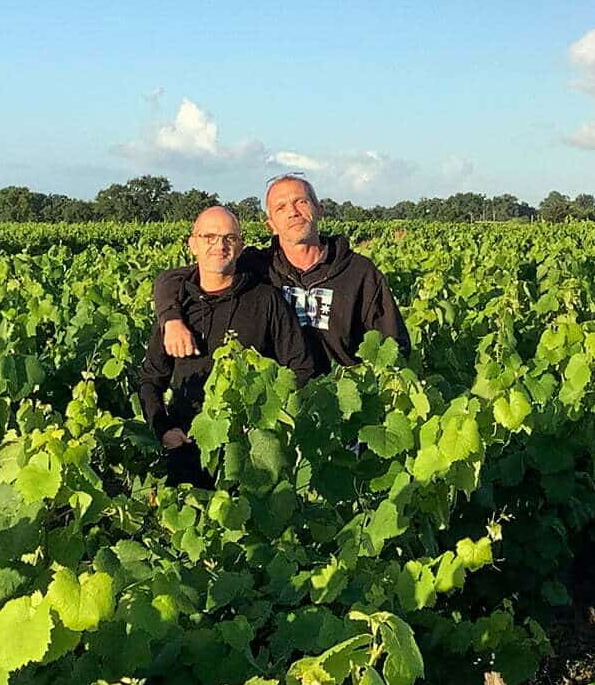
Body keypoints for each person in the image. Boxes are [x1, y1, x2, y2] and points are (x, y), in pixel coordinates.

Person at [152, 174, 409, 376]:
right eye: (281, 207)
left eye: (301, 201)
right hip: (277, 404)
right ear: (271, 224)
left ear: (319, 209)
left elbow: (392, 343)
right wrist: (171, 319)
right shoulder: (255, 266)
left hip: (340, 407)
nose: (293, 212)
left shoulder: (358, 272)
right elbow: (174, 279)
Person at [139, 206, 315, 487]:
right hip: (187, 445)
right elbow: (151, 379)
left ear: (240, 245)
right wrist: (163, 430)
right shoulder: (175, 310)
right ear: (193, 243)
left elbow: (300, 367)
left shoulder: (266, 300)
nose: (219, 246)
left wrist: (266, 419)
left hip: (248, 450)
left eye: (229, 238)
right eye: (209, 237)